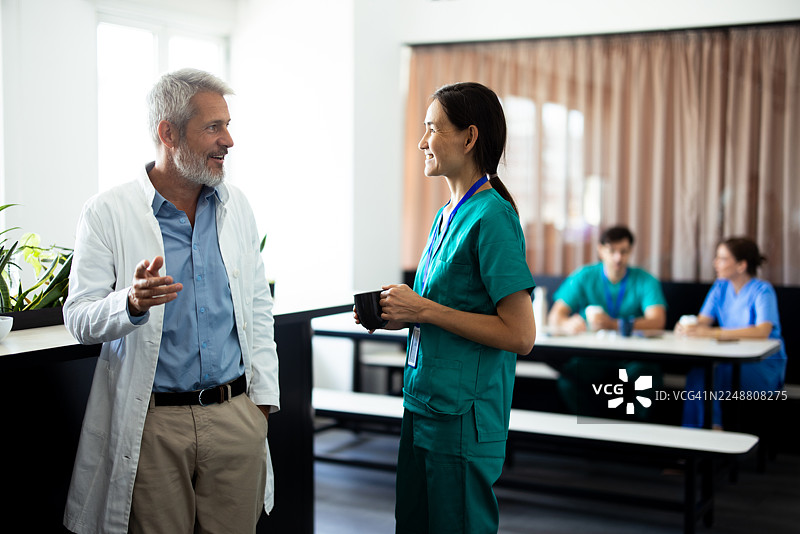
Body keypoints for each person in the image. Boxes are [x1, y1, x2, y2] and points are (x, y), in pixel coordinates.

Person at [62, 69, 279, 534]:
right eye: (213, 127)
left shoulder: (235, 205)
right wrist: (130, 304)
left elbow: (258, 310)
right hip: (155, 426)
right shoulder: (107, 211)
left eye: (227, 125)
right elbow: (78, 317)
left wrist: (260, 408)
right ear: (168, 133)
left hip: (235, 417)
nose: (229, 140)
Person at [356, 82, 535, 534]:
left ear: (469, 138)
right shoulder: (446, 214)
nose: (422, 142)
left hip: (461, 415)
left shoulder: (492, 217)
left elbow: (520, 335)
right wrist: (398, 316)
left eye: (432, 129)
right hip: (423, 403)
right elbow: (443, 309)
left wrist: (424, 311)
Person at [547, 225, 667, 419]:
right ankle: (592, 433)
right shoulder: (584, 275)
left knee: (647, 377)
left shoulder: (645, 280)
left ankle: (638, 434)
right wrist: (566, 323)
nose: (618, 258)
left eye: (624, 252)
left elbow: (657, 321)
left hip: (634, 356)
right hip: (593, 355)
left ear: (630, 252)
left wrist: (613, 324)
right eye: (612, 251)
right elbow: (555, 315)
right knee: (568, 379)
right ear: (600, 250)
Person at [676, 237, 787, 428]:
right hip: (730, 360)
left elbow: (762, 331)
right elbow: (703, 321)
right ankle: (698, 439)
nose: (715, 263)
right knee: (698, 375)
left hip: (761, 365)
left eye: (722, 258)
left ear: (741, 265)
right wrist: (689, 325)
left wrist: (712, 333)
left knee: (711, 376)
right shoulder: (720, 288)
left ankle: (713, 433)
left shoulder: (762, 290)